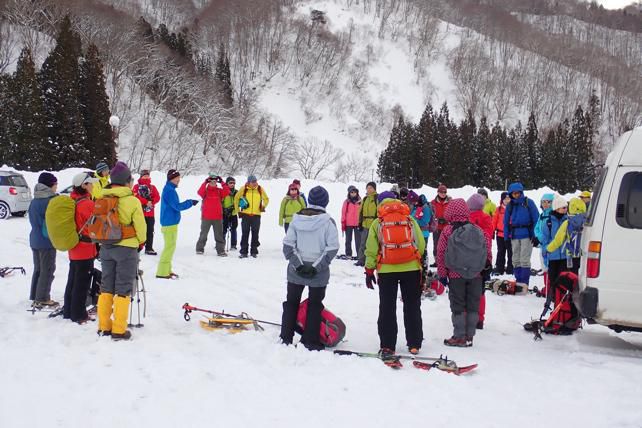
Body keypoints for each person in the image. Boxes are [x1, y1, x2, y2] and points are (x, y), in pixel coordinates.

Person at [365, 191, 425, 356]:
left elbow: (371, 249)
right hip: (411, 268)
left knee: (387, 307)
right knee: (412, 305)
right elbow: (420, 243)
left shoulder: (378, 222)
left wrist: (369, 269)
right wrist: (415, 259)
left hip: (386, 270)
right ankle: (414, 343)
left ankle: (388, 345)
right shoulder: (409, 219)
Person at [280, 186, 339, 351]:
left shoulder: (296, 219)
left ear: (310, 200)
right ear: (325, 202)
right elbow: (332, 248)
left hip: (295, 270)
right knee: (315, 305)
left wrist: (298, 264)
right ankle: (310, 341)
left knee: (291, 303)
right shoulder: (328, 222)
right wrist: (316, 267)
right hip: (318, 273)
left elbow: (288, 246)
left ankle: (286, 337)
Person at [96, 162, 146, 340]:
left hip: (106, 247)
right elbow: (141, 227)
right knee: (123, 288)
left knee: (106, 286)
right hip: (126, 248)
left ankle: (104, 326)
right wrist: (141, 241)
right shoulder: (132, 201)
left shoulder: (103, 197)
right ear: (127, 181)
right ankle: (118, 329)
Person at [437, 199, 492, 347]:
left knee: (458, 305)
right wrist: (486, 269)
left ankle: (459, 336)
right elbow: (487, 249)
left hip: (455, 275)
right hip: (476, 275)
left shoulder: (448, 230)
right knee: (473, 305)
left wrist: (442, 274)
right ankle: (469, 337)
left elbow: (441, 253)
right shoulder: (477, 229)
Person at [63, 172, 98, 323]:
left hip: (74, 247)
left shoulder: (73, 201)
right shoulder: (87, 204)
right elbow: (97, 225)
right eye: (90, 183)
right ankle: (79, 315)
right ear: (84, 185)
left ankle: (68, 310)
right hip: (85, 248)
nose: (93, 185)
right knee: (82, 283)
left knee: (72, 280)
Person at [156, 169, 198, 279]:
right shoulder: (169, 191)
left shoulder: (170, 189)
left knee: (170, 247)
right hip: (169, 223)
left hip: (171, 223)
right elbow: (177, 206)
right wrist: (190, 202)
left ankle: (167, 270)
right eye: (177, 178)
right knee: (169, 247)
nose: (179, 180)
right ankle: (162, 272)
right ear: (172, 178)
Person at [28, 172, 59, 308]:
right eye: (55, 184)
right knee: (47, 269)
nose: (56, 187)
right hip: (46, 240)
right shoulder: (51, 201)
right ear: (50, 185)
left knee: (38, 269)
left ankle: (35, 295)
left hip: (35, 238)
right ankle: (43, 298)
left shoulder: (34, 200)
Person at [503, 182, 540, 286]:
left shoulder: (529, 203)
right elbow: (505, 222)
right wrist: (506, 237)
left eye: (517, 193)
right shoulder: (510, 206)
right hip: (514, 235)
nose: (516, 195)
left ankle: (524, 283)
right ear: (510, 194)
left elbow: (536, 219)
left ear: (521, 192)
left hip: (527, 235)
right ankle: (518, 280)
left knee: (524, 259)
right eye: (513, 194)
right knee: (515, 259)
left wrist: (535, 235)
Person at [467, 193, 493, 330]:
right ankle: (480, 319)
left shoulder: (465, 219)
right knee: (480, 291)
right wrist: (488, 259)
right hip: (482, 259)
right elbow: (488, 239)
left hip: (466, 260)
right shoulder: (486, 218)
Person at [547, 197, 587, 275]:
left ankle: (572, 286)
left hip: (571, 255)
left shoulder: (568, 222)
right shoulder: (588, 222)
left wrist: (549, 249)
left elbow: (558, 240)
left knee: (572, 275)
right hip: (584, 254)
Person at [234, 175, 269, 258]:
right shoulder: (244, 189)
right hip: (245, 215)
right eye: (253, 182)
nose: (254, 183)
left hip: (256, 215)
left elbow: (266, 199)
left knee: (255, 234)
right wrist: (237, 210)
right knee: (245, 233)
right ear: (248, 182)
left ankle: (254, 252)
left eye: (255, 181)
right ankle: (243, 252)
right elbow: (236, 198)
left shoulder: (260, 189)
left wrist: (263, 206)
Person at [196, 173, 231, 256]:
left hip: (217, 217)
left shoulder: (219, 191)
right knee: (203, 234)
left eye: (215, 181)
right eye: (211, 181)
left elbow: (227, 191)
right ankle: (200, 249)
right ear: (209, 182)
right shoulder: (205, 191)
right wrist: (205, 182)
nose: (213, 182)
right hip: (206, 217)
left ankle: (220, 251)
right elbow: (199, 192)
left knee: (219, 235)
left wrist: (222, 182)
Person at [540, 196, 568, 291]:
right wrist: (545, 253)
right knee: (553, 278)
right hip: (552, 255)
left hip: (564, 256)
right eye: (563, 207)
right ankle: (553, 296)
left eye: (566, 207)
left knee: (563, 279)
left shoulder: (568, 220)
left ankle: (561, 297)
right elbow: (545, 240)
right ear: (557, 208)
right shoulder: (548, 222)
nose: (566, 209)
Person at [133, 170, 160, 255]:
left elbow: (157, 197)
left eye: (147, 175)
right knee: (139, 230)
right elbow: (135, 196)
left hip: (150, 213)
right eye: (144, 176)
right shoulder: (136, 187)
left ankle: (149, 247)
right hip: (139, 213)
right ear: (141, 176)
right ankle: (138, 246)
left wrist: (151, 202)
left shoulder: (153, 187)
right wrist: (146, 202)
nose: (146, 177)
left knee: (150, 231)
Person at [534, 193, 554, 292]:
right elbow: (537, 228)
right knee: (544, 267)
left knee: (551, 267)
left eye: (548, 202)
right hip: (543, 245)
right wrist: (539, 237)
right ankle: (547, 288)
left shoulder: (553, 215)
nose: (546, 204)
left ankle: (550, 289)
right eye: (544, 202)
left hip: (551, 246)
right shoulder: (542, 215)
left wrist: (543, 239)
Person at [409, 191, 432, 273]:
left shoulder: (425, 208)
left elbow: (426, 221)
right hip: (416, 233)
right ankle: (418, 268)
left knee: (423, 252)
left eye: (414, 201)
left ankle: (424, 269)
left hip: (424, 233)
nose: (413, 203)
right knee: (417, 251)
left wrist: (414, 221)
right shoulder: (417, 207)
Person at [356, 181, 378, 266]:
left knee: (373, 244)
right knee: (363, 243)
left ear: (374, 189)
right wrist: (360, 223)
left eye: (371, 188)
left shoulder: (377, 198)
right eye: (367, 188)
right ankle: (361, 260)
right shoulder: (365, 199)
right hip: (365, 224)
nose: (369, 189)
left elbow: (379, 211)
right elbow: (360, 212)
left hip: (373, 224)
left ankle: (373, 261)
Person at [492, 192, 513, 275]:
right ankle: (499, 268)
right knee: (500, 252)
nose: (507, 200)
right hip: (500, 235)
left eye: (508, 198)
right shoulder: (498, 209)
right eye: (505, 199)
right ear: (502, 200)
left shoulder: (512, 209)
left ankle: (510, 268)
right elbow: (494, 221)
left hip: (510, 235)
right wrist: (492, 230)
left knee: (510, 252)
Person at [430, 184, 451, 266]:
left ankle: (447, 261)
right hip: (437, 227)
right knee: (436, 245)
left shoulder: (450, 202)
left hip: (447, 228)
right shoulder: (433, 203)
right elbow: (431, 214)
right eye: (441, 192)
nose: (443, 193)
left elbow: (452, 214)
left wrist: (446, 220)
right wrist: (436, 220)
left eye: (445, 192)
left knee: (447, 245)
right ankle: (437, 261)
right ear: (438, 192)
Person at [340, 186, 361, 259]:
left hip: (357, 223)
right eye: (351, 192)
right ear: (349, 193)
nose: (353, 193)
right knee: (348, 240)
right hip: (348, 224)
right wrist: (343, 222)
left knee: (358, 240)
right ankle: (348, 254)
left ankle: (359, 254)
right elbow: (343, 212)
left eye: (354, 192)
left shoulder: (360, 201)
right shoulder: (347, 202)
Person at [222, 177, 238, 250]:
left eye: (233, 183)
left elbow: (240, 202)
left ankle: (233, 245)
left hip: (234, 213)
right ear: (227, 183)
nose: (232, 184)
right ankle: (221, 244)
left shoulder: (237, 192)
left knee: (234, 229)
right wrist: (224, 210)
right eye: (230, 183)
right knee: (223, 229)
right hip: (225, 214)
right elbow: (220, 202)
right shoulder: (223, 191)